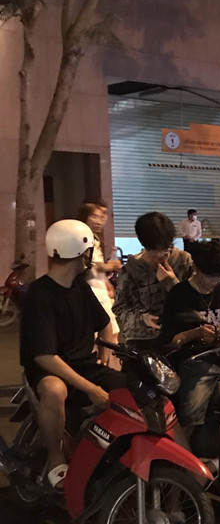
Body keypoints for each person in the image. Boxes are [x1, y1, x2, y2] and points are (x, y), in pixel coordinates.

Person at [19, 219, 125, 489]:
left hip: (84, 365)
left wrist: (105, 354)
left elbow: (105, 324)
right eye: (89, 251)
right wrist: (91, 388)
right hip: (49, 370)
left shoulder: (80, 287)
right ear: (82, 254)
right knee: (55, 390)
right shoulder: (40, 294)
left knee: (131, 387)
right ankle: (56, 460)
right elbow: (45, 356)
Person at [160, 239, 220, 442]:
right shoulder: (180, 294)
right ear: (196, 268)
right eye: (210, 276)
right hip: (196, 360)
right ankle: (182, 451)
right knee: (191, 411)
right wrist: (196, 333)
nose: (215, 281)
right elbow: (170, 341)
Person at [113, 212, 193, 345]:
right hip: (141, 338)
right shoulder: (130, 270)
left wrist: (171, 283)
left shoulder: (183, 260)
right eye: (155, 250)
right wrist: (143, 319)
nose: (162, 254)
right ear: (144, 244)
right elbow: (119, 308)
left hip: (179, 335)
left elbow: (196, 302)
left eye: (166, 248)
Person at [77, 199, 120, 340]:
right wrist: (110, 266)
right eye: (94, 216)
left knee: (110, 333)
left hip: (99, 290)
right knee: (107, 334)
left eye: (102, 217)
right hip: (92, 292)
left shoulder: (94, 238)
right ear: (85, 217)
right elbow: (92, 265)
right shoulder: (83, 239)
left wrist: (107, 284)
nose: (98, 221)